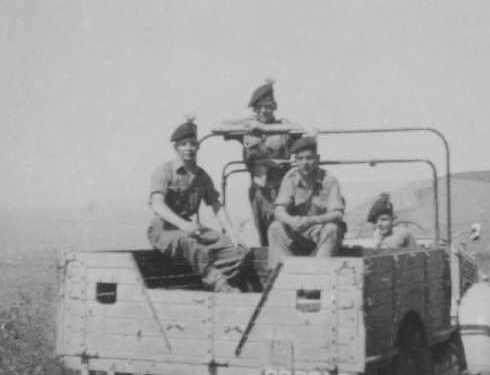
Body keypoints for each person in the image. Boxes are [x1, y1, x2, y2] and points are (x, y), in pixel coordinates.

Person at [147, 117, 249, 292]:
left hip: (190, 228)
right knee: (190, 243)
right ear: (176, 148)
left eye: (193, 144)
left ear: (198, 147)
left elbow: (216, 205)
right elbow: (157, 205)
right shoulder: (165, 171)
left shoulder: (202, 176)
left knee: (239, 250)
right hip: (164, 231)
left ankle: (217, 279)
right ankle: (220, 286)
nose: (189, 148)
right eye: (184, 144)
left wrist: (232, 234)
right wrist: (184, 225)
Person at [219, 79, 311, 246]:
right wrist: (246, 122)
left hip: (281, 190)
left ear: (274, 107)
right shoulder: (247, 129)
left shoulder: (283, 127)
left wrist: (265, 129)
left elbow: (304, 130)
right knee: (263, 234)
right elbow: (218, 126)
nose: (264, 110)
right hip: (258, 191)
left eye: (268, 106)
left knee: (282, 231)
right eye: (260, 107)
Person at [267, 136, 345, 269]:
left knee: (332, 228)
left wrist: (313, 220)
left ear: (317, 159)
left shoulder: (329, 180)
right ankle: (281, 275)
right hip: (298, 233)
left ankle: (318, 277)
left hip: (319, 232)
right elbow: (279, 210)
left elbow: (337, 213)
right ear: (295, 161)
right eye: (300, 159)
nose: (305, 163)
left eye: (309, 158)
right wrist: (291, 221)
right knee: (275, 227)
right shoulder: (290, 178)